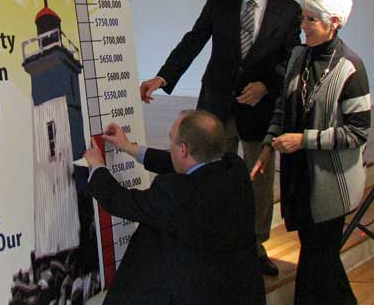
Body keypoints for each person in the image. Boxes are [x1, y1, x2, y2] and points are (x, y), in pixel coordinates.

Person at [140, 0, 302, 276]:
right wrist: (163, 76)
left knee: (258, 179)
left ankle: (255, 245)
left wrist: (266, 86)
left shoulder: (288, 10)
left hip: (259, 110)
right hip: (216, 105)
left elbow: (291, 60)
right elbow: (194, 40)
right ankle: (206, 235)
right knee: (206, 172)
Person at [251, 0, 370, 305]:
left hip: (332, 186)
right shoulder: (298, 57)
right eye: (303, 18)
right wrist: (267, 144)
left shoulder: (351, 68)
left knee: (318, 259)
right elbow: (281, 107)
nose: (303, 27)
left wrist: (304, 140)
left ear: (334, 22)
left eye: (311, 20)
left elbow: (358, 132)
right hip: (299, 179)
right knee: (320, 258)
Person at [84, 111, 265, 305]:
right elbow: (185, 163)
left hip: (199, 292)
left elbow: (122, 202)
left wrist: (97, 167)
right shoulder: (235, 168)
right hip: (242, 289)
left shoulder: (177, 193)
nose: (170, 148)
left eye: (171, 141)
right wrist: (130, 148)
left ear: (183, 150)